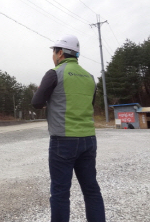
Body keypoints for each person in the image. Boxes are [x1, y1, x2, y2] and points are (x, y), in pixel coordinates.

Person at [31, 35, 105, 222]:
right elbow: (89, 104)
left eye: (54, 52)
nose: (53, 56)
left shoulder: (54, 73)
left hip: (63, 141)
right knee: (91, 190)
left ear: (61, 52)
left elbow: (37, 103)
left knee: (60, 193)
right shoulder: (90, 77)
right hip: (88, 139)